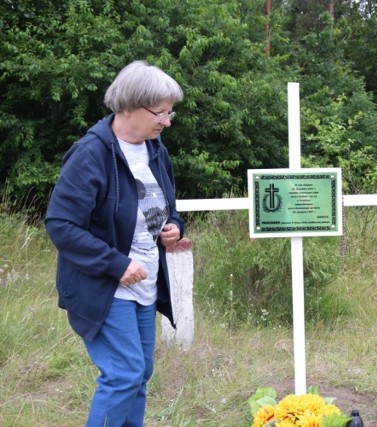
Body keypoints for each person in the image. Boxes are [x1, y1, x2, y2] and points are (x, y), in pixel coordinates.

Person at [45, 60, 185, 427]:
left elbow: (168, 206)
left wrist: (174, 226)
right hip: (105, 286)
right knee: (124, 374)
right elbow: (60, 224)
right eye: (161, 112)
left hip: (146, 282)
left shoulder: (156, 151)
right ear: (129, 107)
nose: (167, 121)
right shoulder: (91, 154)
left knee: (140, 374)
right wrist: (116, 264)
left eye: (169, 113)